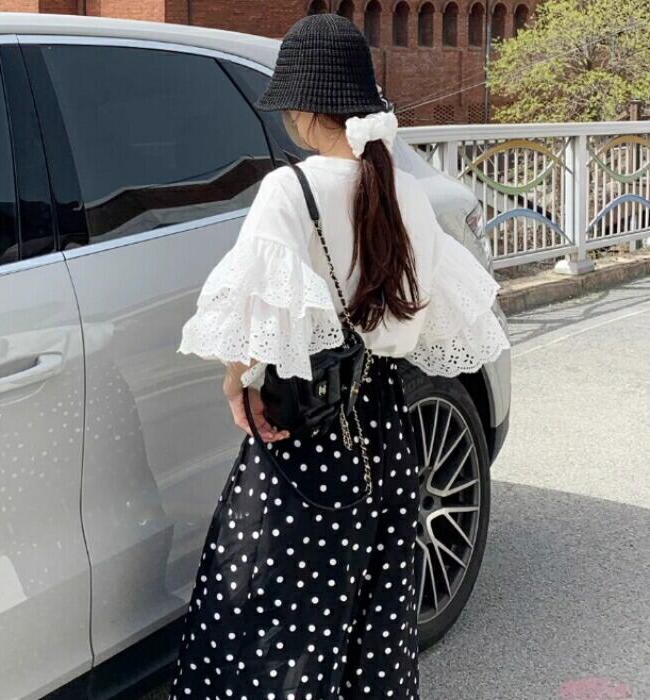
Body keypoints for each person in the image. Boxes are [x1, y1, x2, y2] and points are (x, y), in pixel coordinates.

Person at [169, 13, 510, 700]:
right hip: (386, 433)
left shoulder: (289, 191)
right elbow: (424, 321)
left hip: (309, 438)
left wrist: (237, 384)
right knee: (374, 621)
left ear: (302, 109)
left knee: (274, 625)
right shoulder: (401, 189)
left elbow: (251, 321)